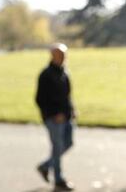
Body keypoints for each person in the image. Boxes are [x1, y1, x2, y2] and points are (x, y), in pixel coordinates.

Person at [36, 43, 75, 191]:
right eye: (60, 55)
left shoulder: (64, 72)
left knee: (68, 143)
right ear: (53, 56)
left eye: (65, 55)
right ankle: (59, 179)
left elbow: (67, 96)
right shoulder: (46, 75)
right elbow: (40, 99)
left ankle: (46, 166)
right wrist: (53, 115)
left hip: (67, 116)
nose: (64, 58)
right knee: (57, 148)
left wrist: (72, 109)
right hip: (54, 119)